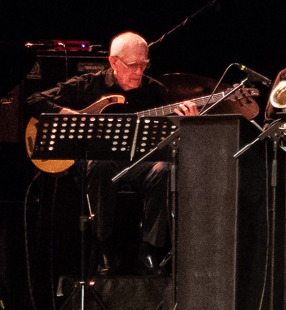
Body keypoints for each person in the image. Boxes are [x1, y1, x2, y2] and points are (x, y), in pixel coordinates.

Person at [27, 32, 197, 268]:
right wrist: (65, 114)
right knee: (100, 164)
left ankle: (151, 247)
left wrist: (189, 122)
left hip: (140, 164)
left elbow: (171, 137)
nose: (139, 71)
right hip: (99, 165)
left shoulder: (155, 91)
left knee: (166, 169)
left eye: (144, 65)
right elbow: (33, 99)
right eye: (133, 65)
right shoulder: (88, 84)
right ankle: (103, 245)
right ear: (113, 62)